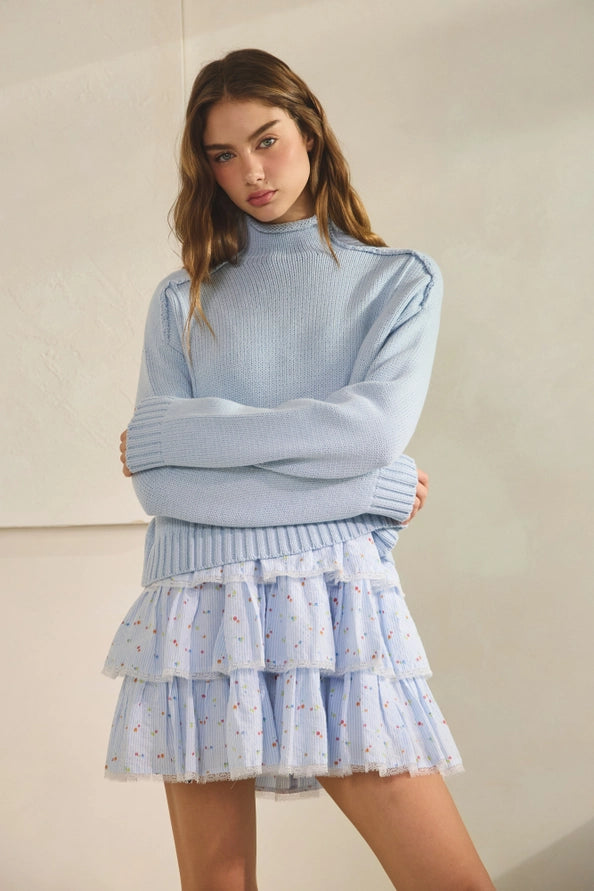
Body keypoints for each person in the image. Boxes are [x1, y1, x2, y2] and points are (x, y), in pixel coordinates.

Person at [104, 48, 494, 891]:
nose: (250, 172)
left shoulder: (397, 283)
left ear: (310, 132)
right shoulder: (182, 298)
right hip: (196, 602)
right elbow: (160, 485)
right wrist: (371, 489)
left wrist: (191, 431)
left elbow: (371, 431)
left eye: (267, 140)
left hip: (336, 598)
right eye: (222, 154)